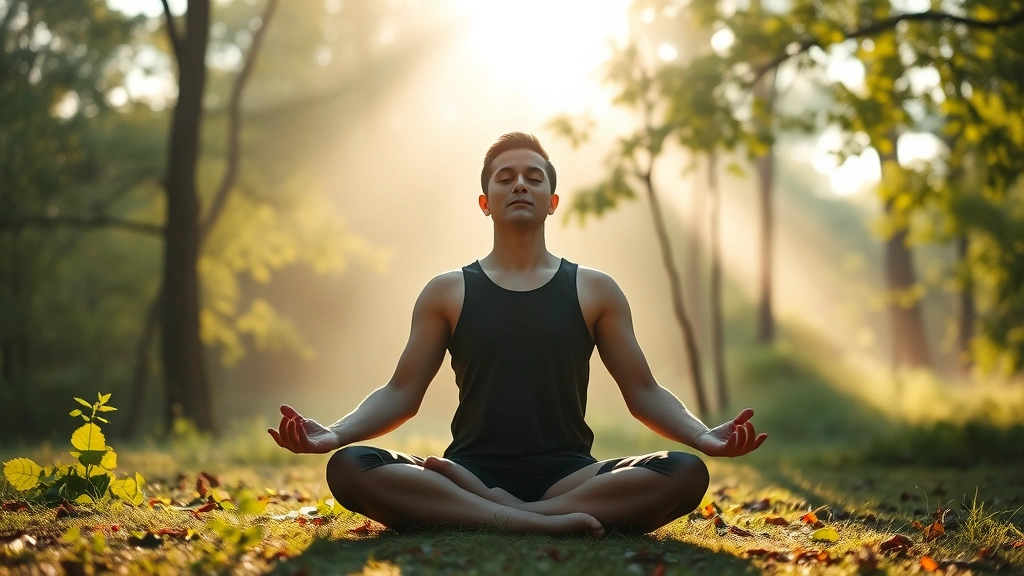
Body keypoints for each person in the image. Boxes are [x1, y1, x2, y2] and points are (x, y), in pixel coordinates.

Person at [268, 132, 767, 537]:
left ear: (552, 201)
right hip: (470, 470)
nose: (520, 185)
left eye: (533, 177)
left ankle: (500, 515)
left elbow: (643, 392)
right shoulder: (447, 291)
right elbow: (401, 394)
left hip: (569, 475)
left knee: (684, 472)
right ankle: (526, 519)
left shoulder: (595, 290)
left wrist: (703, 436)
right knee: (351, 465)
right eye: (505, 179)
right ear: (486, 202)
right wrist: (333, 433)